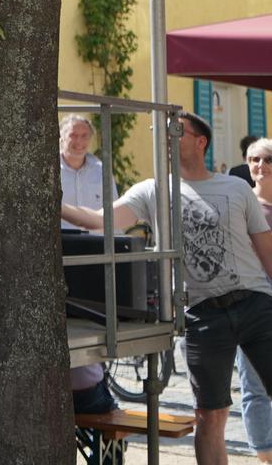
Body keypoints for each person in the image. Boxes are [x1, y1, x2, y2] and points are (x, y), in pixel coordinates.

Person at [62, 112, 272, 464]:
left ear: (200, 141)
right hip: (202, 315)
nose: (163, 138)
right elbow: (100, 220)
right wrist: (52, 200)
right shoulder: (153, 189)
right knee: (210, 415)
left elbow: (267, 252)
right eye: (157, 132)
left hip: (255, 304)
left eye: (174, 132)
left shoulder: (235, 188)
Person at [241, 136, 272, 462]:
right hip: (251, 299)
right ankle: (265, 454)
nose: (260, 166)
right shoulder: (241, 202)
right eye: (254, 159)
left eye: (266, 159)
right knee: (255, 384)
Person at [59, 113, 117, 231]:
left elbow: (113, 211)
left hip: (96, 243)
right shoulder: (50, 172)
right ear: (62, 137)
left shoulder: (102, 171)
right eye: (73, 135)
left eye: (84, 136)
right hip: (61, 243)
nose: (79, 141)